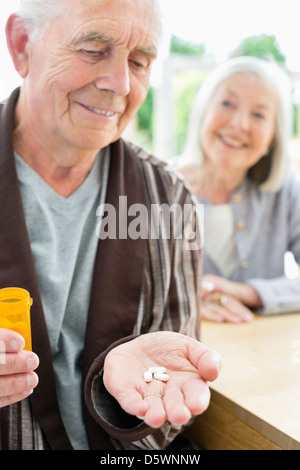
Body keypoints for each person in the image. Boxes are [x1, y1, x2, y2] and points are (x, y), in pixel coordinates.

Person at [0, 0, 221, 451]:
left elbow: (176, 392)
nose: (120, 84)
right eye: (93, 49)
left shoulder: (166, 196)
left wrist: (131, 398)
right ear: (23, 46)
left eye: (139, 62)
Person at [177, 56, 300, 323]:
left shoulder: (286, 189)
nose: (239, 124)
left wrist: (247, 293)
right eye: (227, 104)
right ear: (203, 111)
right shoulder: (155, 187)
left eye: (258, 114)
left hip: (263, 353)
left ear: (273, 136)